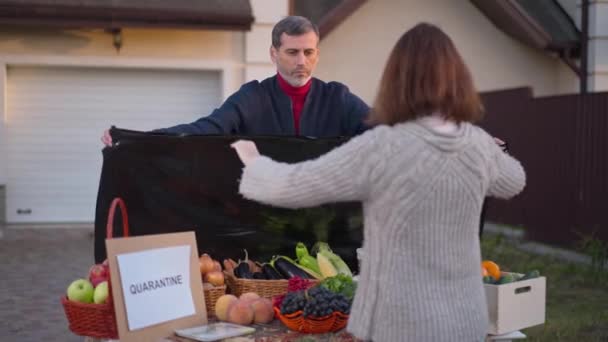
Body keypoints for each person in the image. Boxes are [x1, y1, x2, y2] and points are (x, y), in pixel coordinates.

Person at [230, 23, 526, 341]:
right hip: (466, 321)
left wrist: (253, 161)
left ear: (396, 81)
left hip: (399, 323)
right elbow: (514, 181)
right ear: (458, 79)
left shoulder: (382, 147)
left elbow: (295, 185)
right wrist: (488, 151)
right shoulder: (477, 145)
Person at [101, 16, 369, 146]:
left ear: (317, 54)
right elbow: (206, 128)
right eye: (292, 52)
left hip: (326, 218)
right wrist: (135, 139)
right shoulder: (253, 98)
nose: (301, 61)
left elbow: (385, 132)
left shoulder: (338, 98)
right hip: (266, 215)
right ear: (274, 54)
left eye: (308, 52)